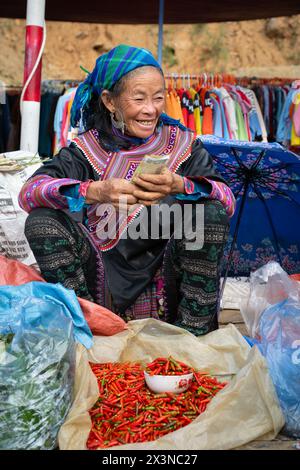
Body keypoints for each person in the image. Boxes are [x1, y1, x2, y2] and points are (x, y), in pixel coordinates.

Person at [19, 44, 235, 336]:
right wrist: (97, 191)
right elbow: (29, 193)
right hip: (102, 271)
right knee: (41, 221)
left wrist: (179, 185)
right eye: (139, 98)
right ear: (110, 101)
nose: (151, 109)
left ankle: (191, 333)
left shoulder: (183, 144)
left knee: (211, 212)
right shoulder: (85, 150)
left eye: (158, 98)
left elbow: (227, 200)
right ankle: (88, 327)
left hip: (169, 270)